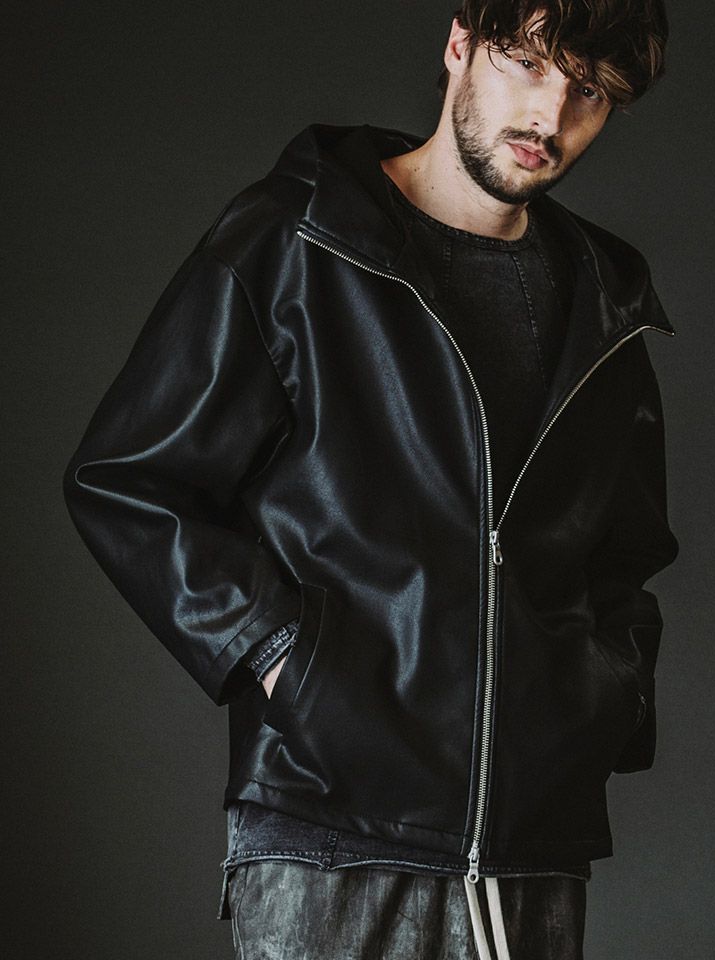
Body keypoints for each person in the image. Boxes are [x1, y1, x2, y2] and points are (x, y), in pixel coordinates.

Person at [62, 2, 680, 957]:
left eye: (589, 91)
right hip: (330, 837)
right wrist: (285, 660)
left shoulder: (604, 300)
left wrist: (605, 702)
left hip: (529, 850)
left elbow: (626, 557)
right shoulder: (297, 241)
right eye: (527, 63)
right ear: (460, 44)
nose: (549, 116)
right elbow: (128, 480)